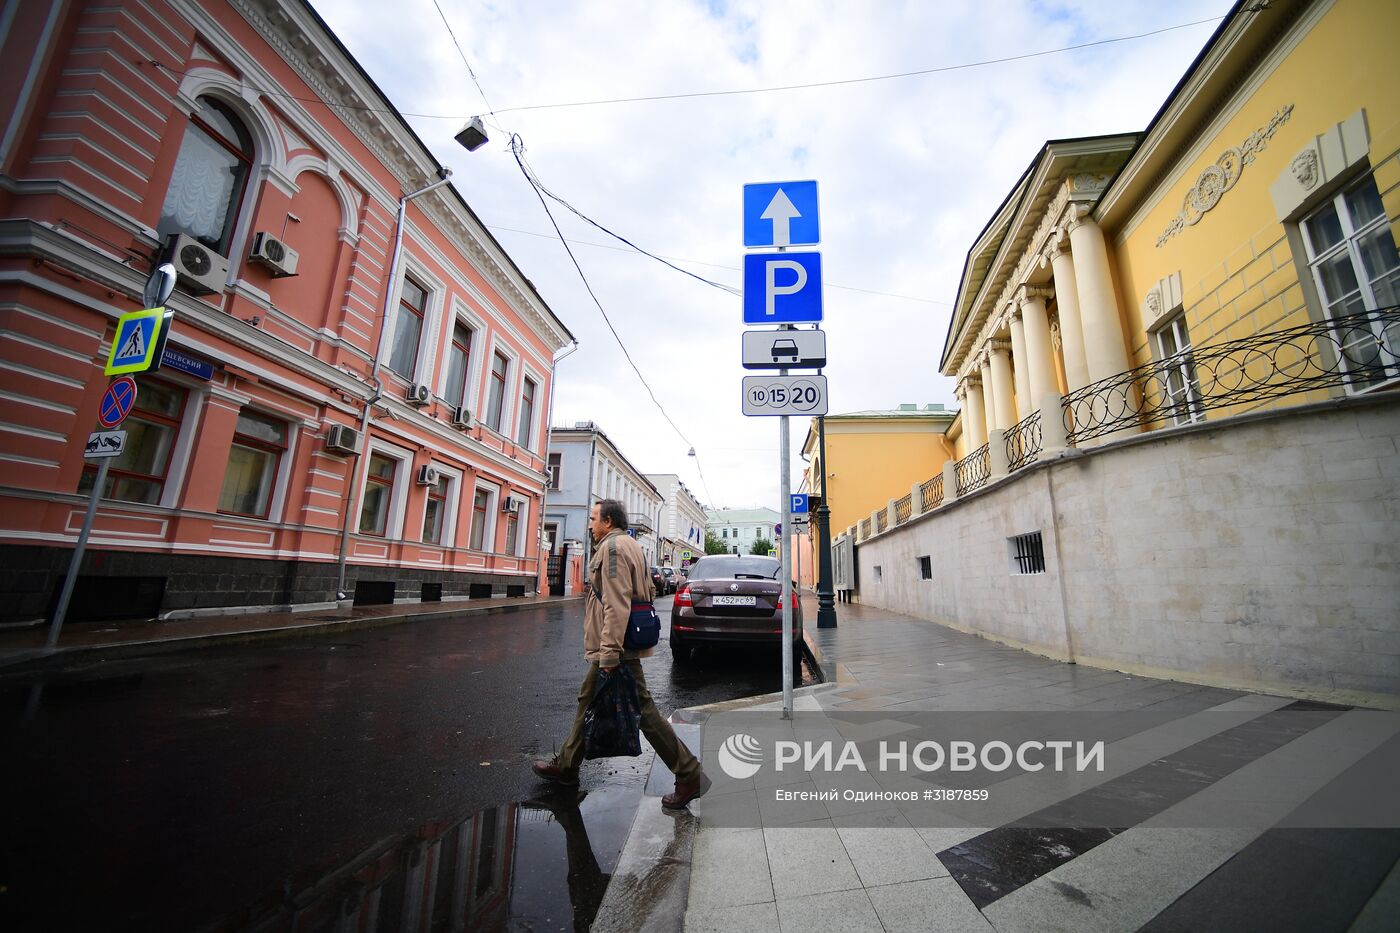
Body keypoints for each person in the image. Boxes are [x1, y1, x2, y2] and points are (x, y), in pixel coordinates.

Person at [533, 499, 710, 809]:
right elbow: (646, 592)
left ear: (609, 521)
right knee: (589, 699)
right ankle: (568, 766)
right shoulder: (632, 546)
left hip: (617, 647)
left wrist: (610, 654)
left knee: (643, 712)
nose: (590, 524)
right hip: (619, 644)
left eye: (594, 519)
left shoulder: (613, 550)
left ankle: (689, 772)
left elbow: (617, 603)